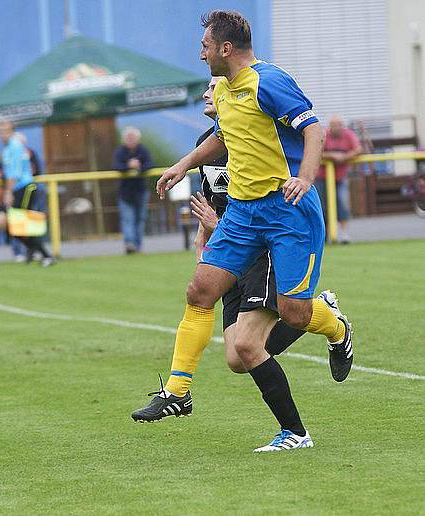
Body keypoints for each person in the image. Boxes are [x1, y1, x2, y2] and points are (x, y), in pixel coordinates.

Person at [132, 11, 354, 452]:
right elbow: (222, 137)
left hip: (288, 211)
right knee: (199, 291)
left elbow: (313, 130)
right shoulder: (226, 89)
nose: (201, 52)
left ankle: (333, 327)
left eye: (205, 45)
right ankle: (178, 392)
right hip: (244, 213)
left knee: (293, 314)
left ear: (225, 48)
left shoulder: (267, 81)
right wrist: (181, 165)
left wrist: (305, 178)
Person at [0, 121, 54, 267]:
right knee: (4, 223)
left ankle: (45, 255)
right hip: (16, 189)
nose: (2, 134)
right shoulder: (6, 149)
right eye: (0, 131)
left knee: (18, 224)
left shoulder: (15, 146)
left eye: (5, 130)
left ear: (12, 131)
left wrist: (8, 193)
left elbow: (14, 174)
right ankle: (33, 249)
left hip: (24, 188)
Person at [316, 115, 363, 243]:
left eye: (339, 125)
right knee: (322, 206)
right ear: (330, 126)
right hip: (322, 177)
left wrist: (345, 156)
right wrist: (332, 155)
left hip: (340, 177)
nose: (337, 128)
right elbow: (316, 152)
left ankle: (344, 234)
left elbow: (358, 149)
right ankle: (324, 235)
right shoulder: (323, 135)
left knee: (342, 203)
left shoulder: (348, 135)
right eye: (334, 125)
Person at [113, 127, 153, 254]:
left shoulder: (143, 151)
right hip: (125, 193)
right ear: (124, 139)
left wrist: (139, 167)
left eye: (133, 137)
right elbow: (116, 166)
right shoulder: (120, 152)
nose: (130, 139)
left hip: (141, 191)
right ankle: (129, 244)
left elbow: (150, 164)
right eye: (128, 137)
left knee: (140, 219)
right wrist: (128, 166)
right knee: (127, 219)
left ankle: (138, 245)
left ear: (138, 138)